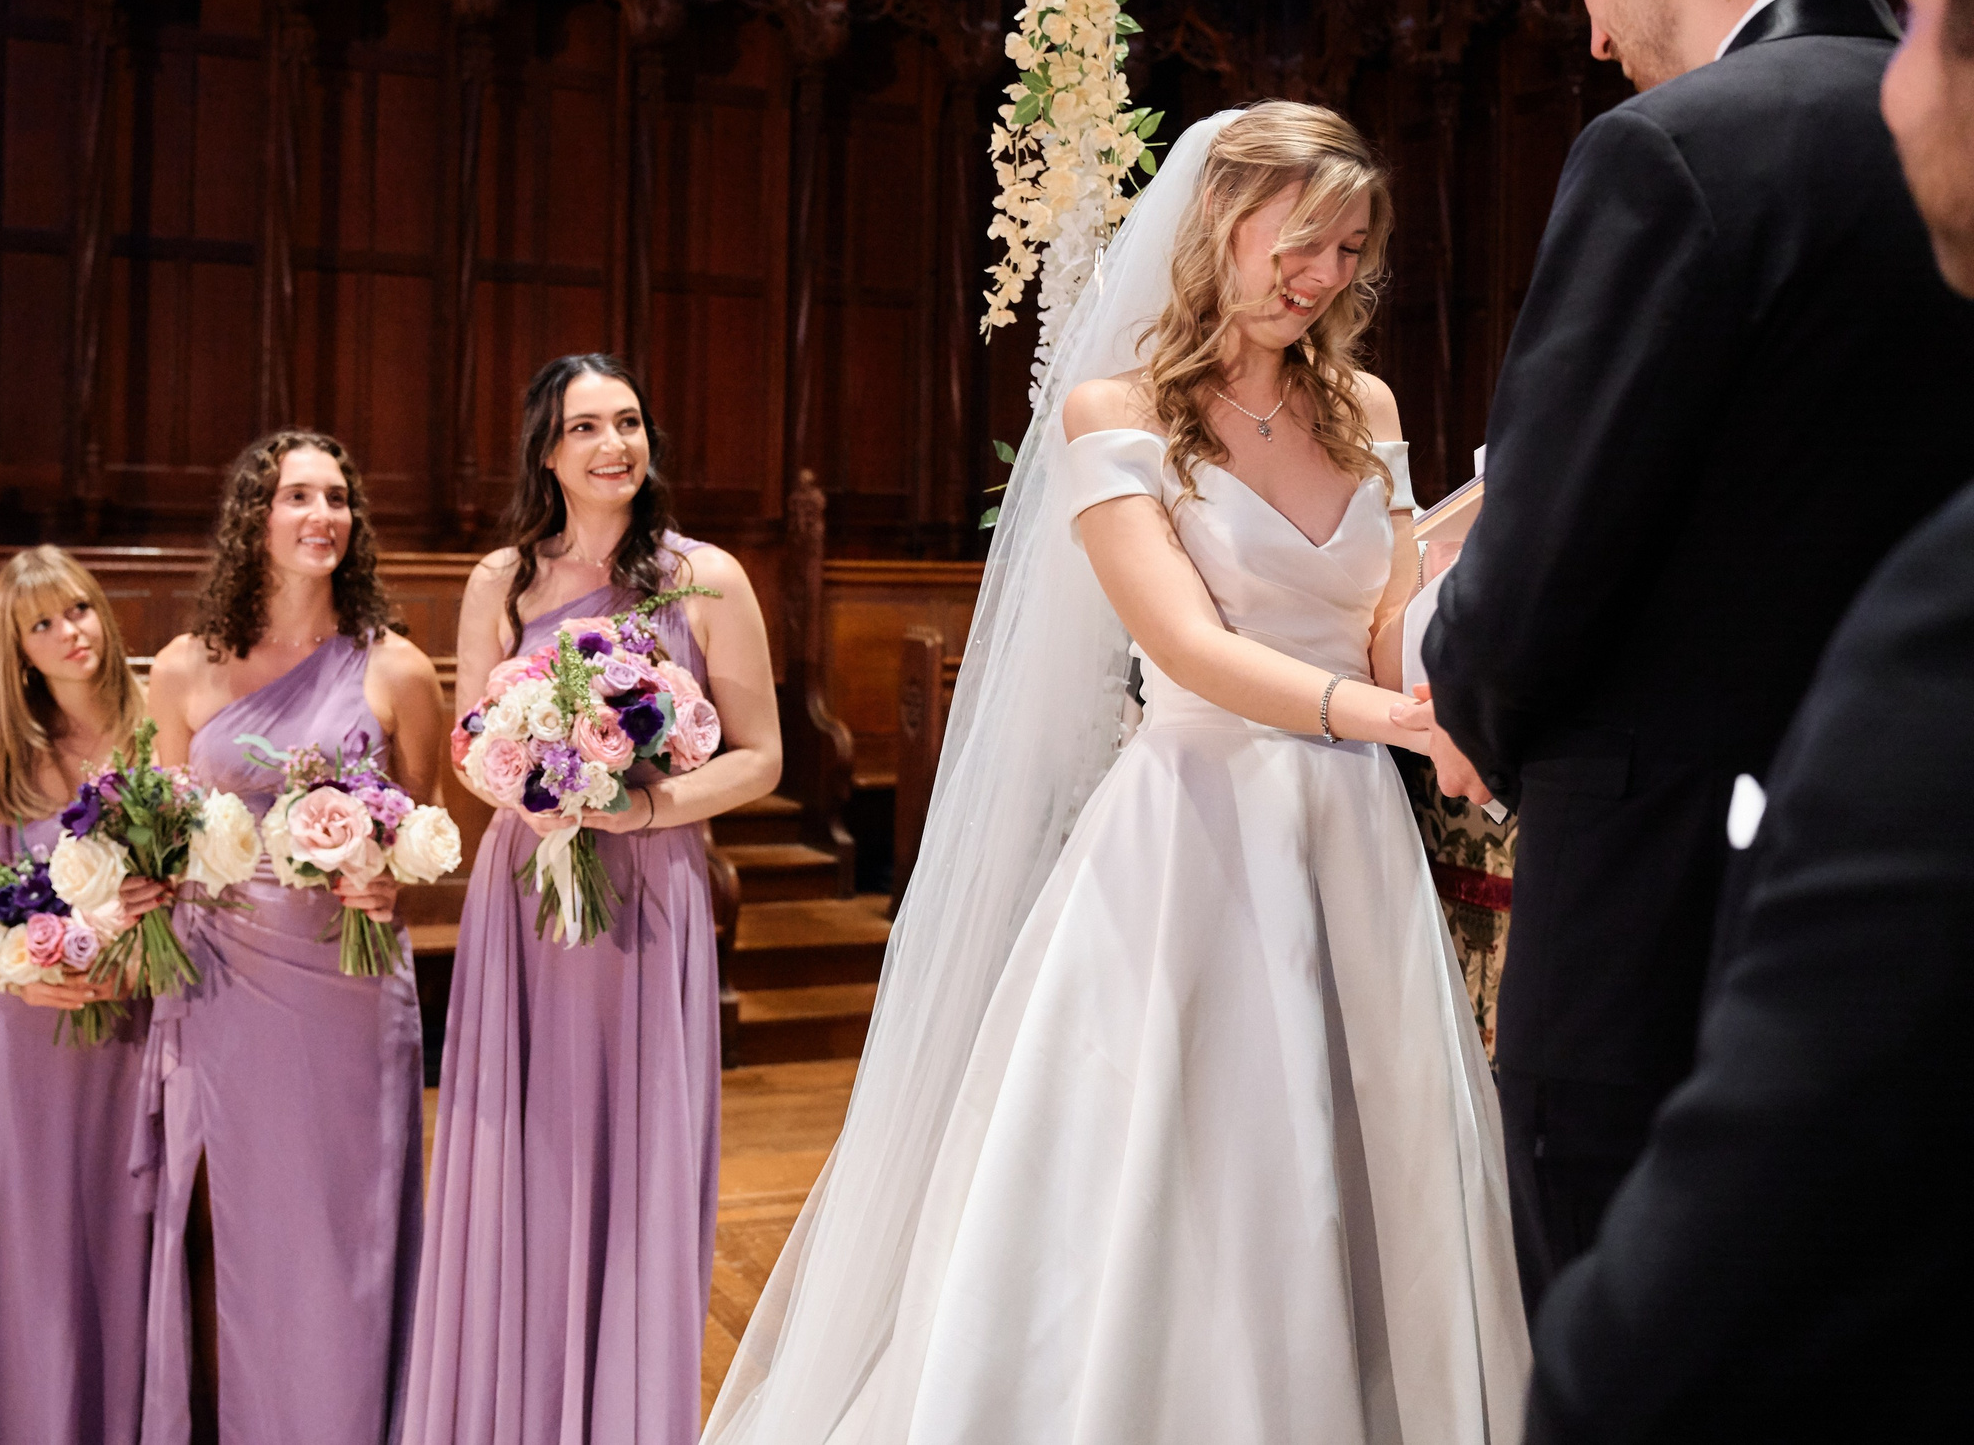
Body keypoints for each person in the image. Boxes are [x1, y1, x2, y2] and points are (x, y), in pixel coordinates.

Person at [707, 106, 1526, 1444]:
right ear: (1221, 222)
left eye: (1350, 248)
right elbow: (1190, 649)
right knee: (1184, 1151)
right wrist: (1389, 713)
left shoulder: (1363, 406)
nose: (1324, 275)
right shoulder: (1119, 409)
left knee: (1362, 1139)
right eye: (1301, 241)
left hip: (1351, 826)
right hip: (1195, 828)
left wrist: (1462, 576)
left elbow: (1380, 622)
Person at [1411, 0, 1974, 1310]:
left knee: (1627, 1319)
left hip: (1659, 896)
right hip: (1915, 859)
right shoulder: (1932, 121)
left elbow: (1547, 540)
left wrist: (1462, 688)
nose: (1593, 34)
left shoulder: (1673, 150)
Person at [402, 354, 782, 1445]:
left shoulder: (707, 578)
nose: (614, 444)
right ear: (546, 451)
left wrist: (644, 809)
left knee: (635, 1148)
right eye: (585, 427)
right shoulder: (501, 581)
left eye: (628, 422)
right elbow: (471, 749)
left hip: (650, 883)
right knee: (520, 1146)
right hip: (526, 890)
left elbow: (760, 757)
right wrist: (536, 769)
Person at [139, 431, 447, 1444]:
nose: (323, 514)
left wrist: (389, 875)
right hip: (222, 978)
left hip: (346, 984)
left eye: (338, 497)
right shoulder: (184, 668)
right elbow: (165, 829)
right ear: (253, 518)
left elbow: (428, 831)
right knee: (236, 1221)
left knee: (345, 1219)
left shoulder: (395, 666)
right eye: (297, 496)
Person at [0, 547, 167, 1445]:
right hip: (31, 1037)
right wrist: (25, 974)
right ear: (18, 650)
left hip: (144, 1025)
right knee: (32, 1246)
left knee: (126, 1239)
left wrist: (139, 954)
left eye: (79, 609)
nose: (71, 632)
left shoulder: (163, 731)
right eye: (43, 623)